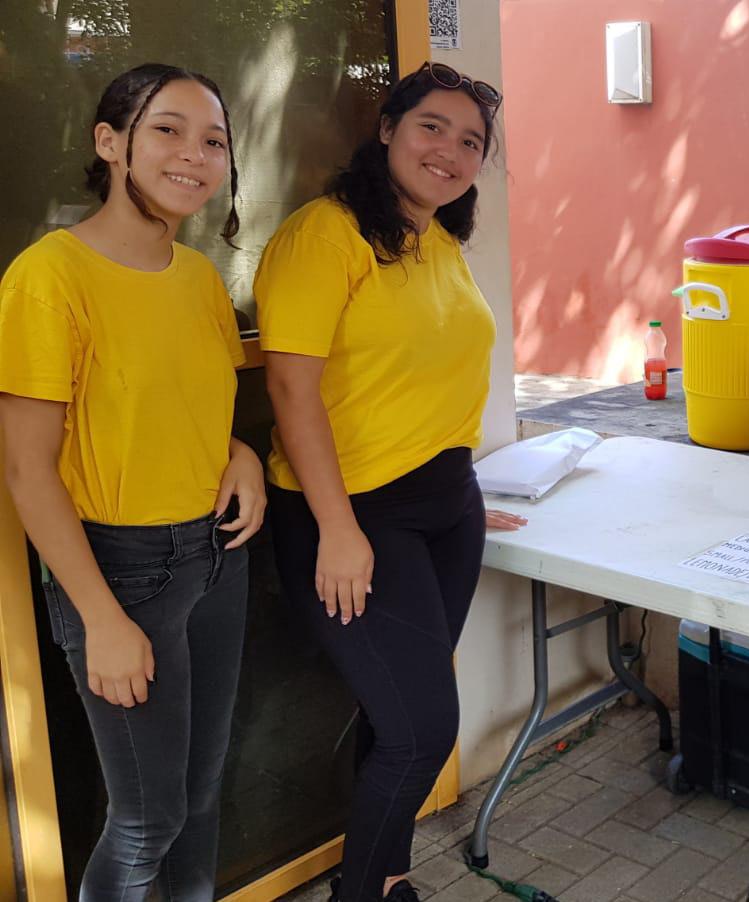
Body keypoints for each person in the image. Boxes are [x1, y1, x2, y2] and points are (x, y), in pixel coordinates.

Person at [255, 62, 523, 902]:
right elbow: (290, 387)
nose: (450, 150)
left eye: (470, 141)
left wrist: (464, 489)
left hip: (446, 508)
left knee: (397, 718)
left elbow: (422, 379)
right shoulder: (325, 235)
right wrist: (338, 529)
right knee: (422, 732)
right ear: (387, 130)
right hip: (354, 514)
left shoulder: (438, 240)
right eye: (431, 126)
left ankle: (387, 879)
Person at [0, 63, 263, 899]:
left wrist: (242, 454)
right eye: (168, 130)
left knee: (199, 799)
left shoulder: (199, 279)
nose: (194, 154)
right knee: (147, 819)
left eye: (213, 140)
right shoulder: (50, 275)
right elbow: (26, 467)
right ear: (110, 143)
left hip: (217, 555)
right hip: (120, 569)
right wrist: (100, 618)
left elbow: (182, 406)